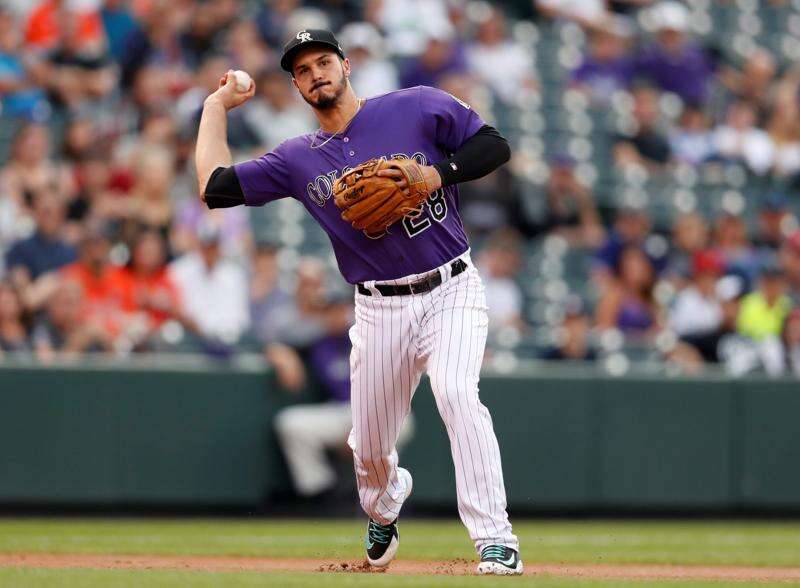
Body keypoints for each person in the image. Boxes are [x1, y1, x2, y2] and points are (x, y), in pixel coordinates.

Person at [195, 29, 521, 574]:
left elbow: (494, 145)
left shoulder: (417, 105)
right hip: (378, 308)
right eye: (302, 70)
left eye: (324, 61)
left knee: (458, 393)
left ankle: (495, 538)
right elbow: (215, 186)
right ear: (297, 86)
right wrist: (213, 107)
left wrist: (435, 173)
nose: (315, 73)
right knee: (368, 448)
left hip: (452, 287)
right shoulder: (299, 158)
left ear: (346, 66)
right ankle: (383, 504)